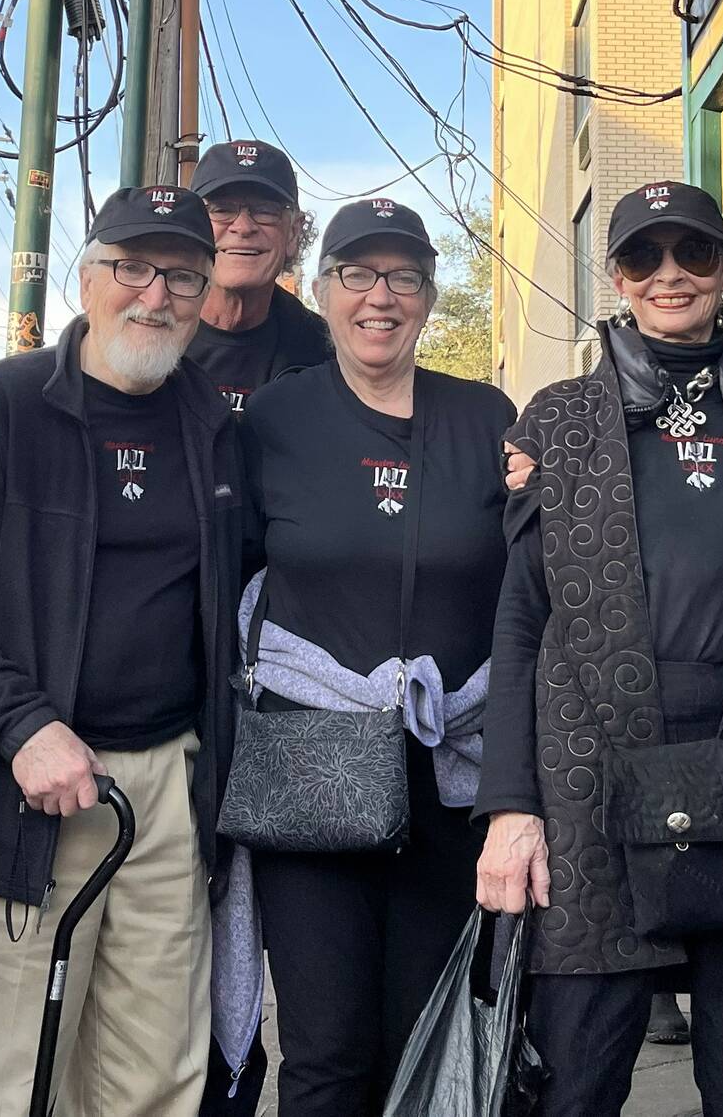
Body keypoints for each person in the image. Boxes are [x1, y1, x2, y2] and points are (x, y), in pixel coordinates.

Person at [0, 185, 241, 1117]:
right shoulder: (2, 407)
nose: (155, 294)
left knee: (156, 1075)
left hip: (167, 789)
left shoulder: (214, 427)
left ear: (206, 294)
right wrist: (23, 725)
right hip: (21, 790)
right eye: (132, 266)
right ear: (88, 277)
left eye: (181, 275)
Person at [475, 180, 723, 1117]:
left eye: (694, 253)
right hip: (593, 774)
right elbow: (520, 619)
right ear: (616, 276)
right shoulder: (559, 418)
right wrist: (510, 804)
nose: (670, 276)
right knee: (572, 1080)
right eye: (642, 259)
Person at [237, 196, 515, 1115]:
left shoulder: (484, 418)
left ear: (430, 297)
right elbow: (229, 588)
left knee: (424, 1039)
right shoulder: (272, 420)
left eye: (402, 277)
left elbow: (524, 599)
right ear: (321, 291)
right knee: (325, 1049)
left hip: (448, 777)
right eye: (357, 274)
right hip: (311, 774)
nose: (379, 297)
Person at [188, 138, 332, 410]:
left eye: (265, 211)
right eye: (222, 210)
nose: (243, 227)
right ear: (193, 226)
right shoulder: (149, 334)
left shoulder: (327, 356)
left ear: (293, 232)